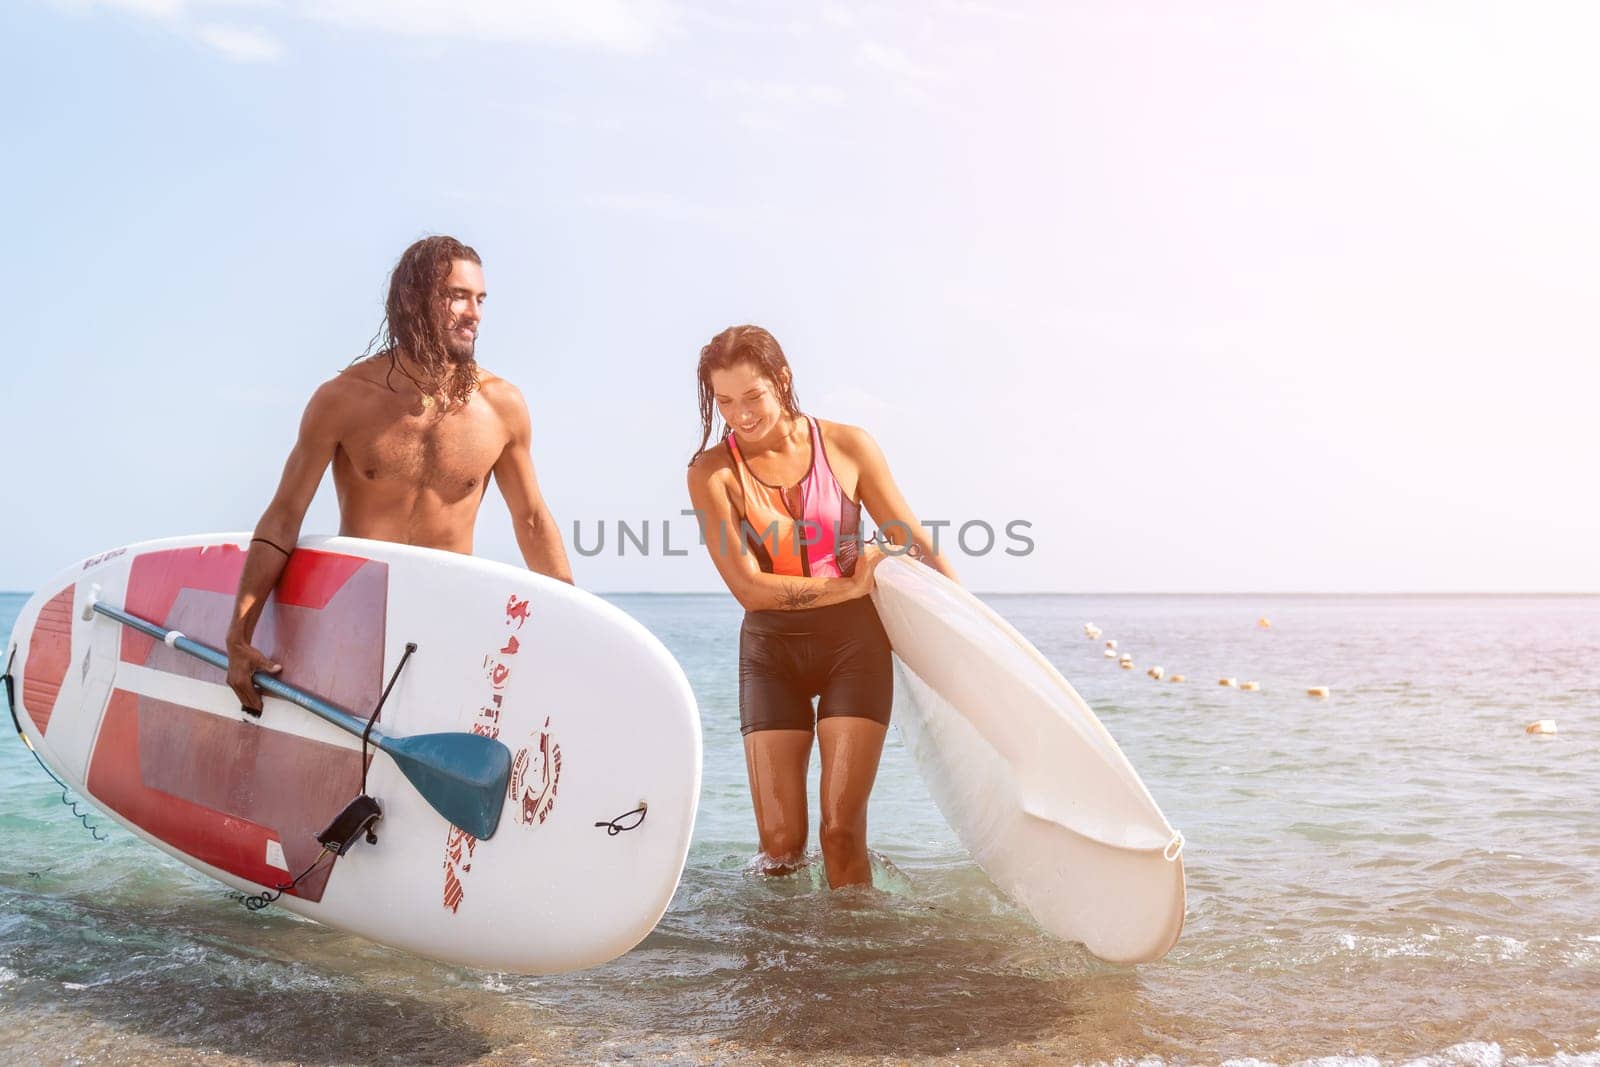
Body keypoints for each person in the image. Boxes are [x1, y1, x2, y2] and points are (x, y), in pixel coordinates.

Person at [225, 235, 572, 713]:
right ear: (413, 300)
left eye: (480, 299)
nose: (474, 314)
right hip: (360, 619)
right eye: (457, 296)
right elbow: (285, 516)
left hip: (450, 620)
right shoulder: (343, 399)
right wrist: (239, 635)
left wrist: (576, 626)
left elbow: (531, 520)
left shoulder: (501, 407)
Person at [686, 324, 958, 888]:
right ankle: (780, 968)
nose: (740, 414)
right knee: (781, 846)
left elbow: (911, 540)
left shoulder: (848, 446)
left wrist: (974, 629)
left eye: (752, 396)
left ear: (782, 380)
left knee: (840, 831)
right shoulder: (711, 472)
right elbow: (750, 588)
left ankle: (852, 967)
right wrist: (851, 585)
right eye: (726, 401)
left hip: (853, 647)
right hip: (770, 653)